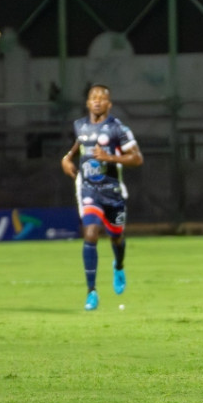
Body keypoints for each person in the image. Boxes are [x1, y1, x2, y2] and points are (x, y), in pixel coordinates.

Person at [61, 85, 144, 310]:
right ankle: (92, 292)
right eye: (93, 97)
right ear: (88, 103)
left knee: (116, 237)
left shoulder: (118, 129)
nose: (97, 101)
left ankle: (119, 266)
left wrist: (110, 158)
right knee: (90, 233)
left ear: (109, 104)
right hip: (89, 190)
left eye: (101, 98)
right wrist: (66, 159)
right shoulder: (80, 126)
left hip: (113, 192)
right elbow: (78, 146)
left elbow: (137, 158)